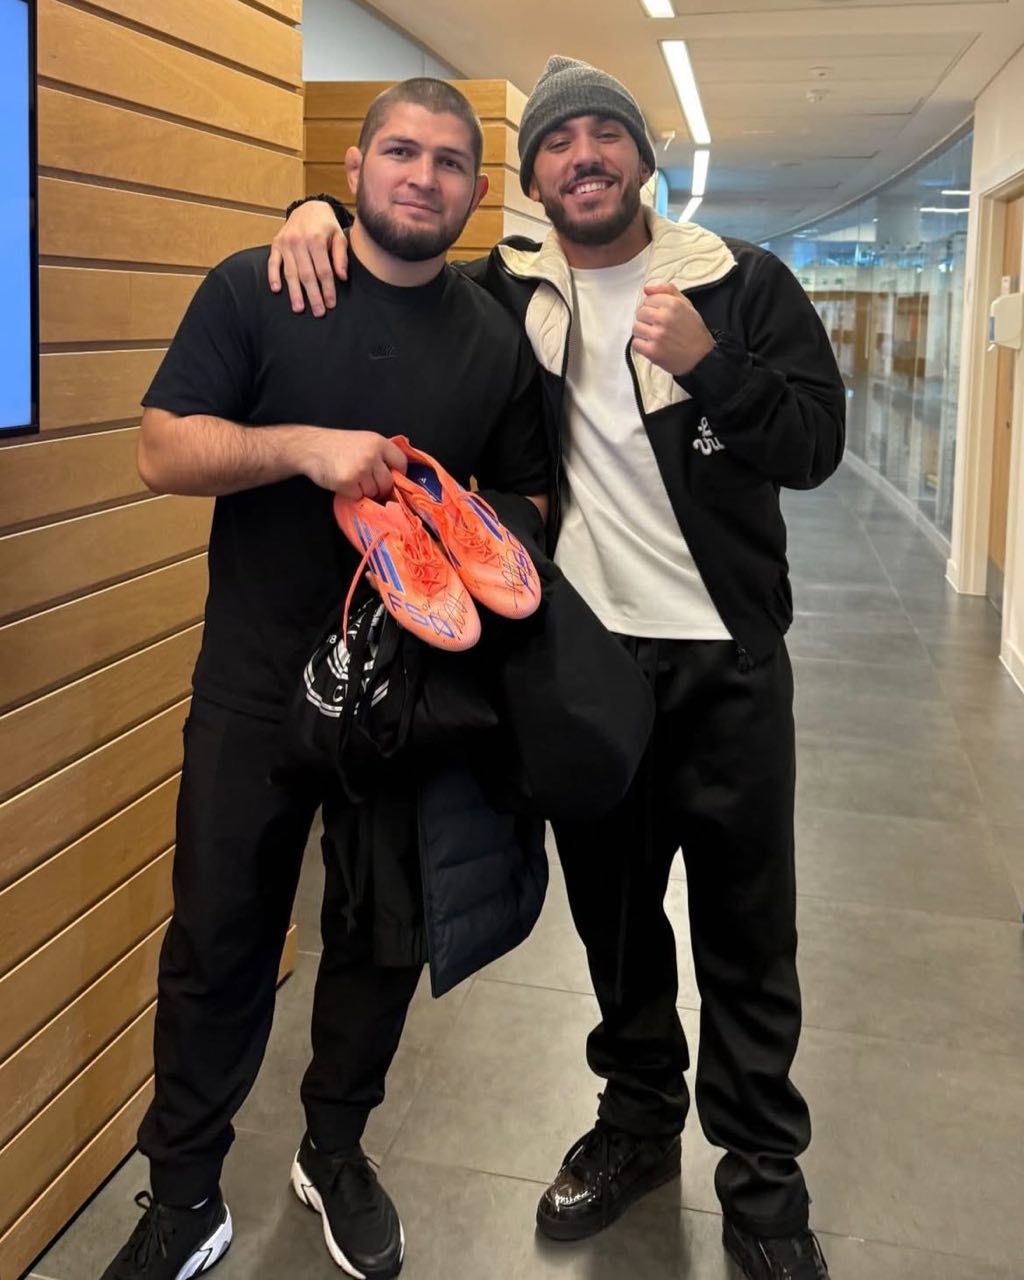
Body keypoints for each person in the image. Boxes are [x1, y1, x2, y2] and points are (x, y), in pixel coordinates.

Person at [271, 54, 845, 1280]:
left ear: (641, 157)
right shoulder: (505, 289)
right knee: (617, 925)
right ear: (531, 177)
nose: (583, 155)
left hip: (728, 665)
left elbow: (812, 446)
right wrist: (313, 210)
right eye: (557, 141)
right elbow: (398, 269)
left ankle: (763, 1183)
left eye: (604, 134)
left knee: (748, 931)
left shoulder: (738, 281)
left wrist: (711, 361)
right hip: (585, 666)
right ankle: (636, 1124)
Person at [101, 78, 550, 1280]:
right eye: (400, 151)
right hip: (254, 684)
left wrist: (462, 524)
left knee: (380, 935)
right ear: (351, 170)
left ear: (475, 189)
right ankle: (185, 1194)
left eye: (448, 161)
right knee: (218, 938)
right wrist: (305, 449)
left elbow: (530, 492)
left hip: (403, 701)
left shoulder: (492, 337)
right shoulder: (257, 287)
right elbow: (162, 449)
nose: (423, 176)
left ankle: (334, 1147)